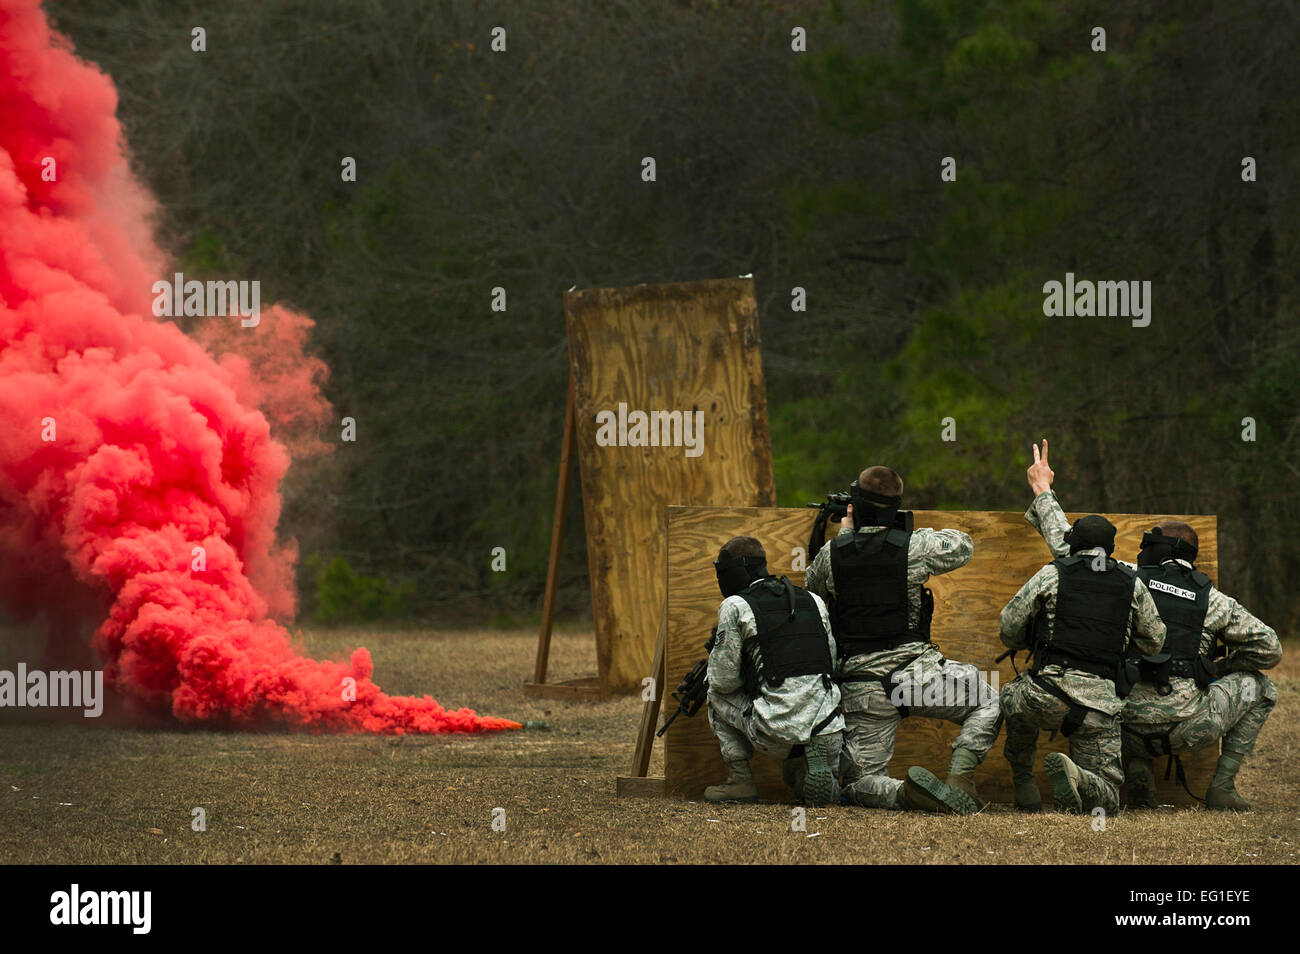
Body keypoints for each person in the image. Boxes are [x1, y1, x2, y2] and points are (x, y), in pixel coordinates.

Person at [1022, 439, 1281, 811]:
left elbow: (1070, 550)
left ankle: (1139, 766)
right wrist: (1216, 668)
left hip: (1121, 724)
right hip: (1189, 726)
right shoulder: (1216, 602)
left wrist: (1043, 488)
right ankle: (1221, 787)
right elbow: (1270, 648)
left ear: (1159, 549)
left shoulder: (1125, 578)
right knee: (1264, 688)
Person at [804, 466, 999, 814]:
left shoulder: (829, 555)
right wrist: (907, 531)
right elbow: (963, 546)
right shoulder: (915, 547)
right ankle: (958, 778)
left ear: (855, 508)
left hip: (863, 688)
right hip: (915, 677)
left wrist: (847, 535)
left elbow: (812, 594)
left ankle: (903, 795)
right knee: (989, 703)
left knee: (860, 781)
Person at [999, 451, 1167, 813]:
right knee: (1108, 799)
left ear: (1072, 546)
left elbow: (1008, 626)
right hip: (1099, 707)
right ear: (1110, 549)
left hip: (1044, 696)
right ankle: (1080, 777)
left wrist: (1043, 487)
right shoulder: (1131, 582)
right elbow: (1155, 641)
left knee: (1013, 700)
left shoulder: (1054, 573)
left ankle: (1024, 781)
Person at [703, 535, 845, 807]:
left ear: (734, 572)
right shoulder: (812, 600)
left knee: (713, 690)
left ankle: (741, 781)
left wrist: (751, 677)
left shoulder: (735, 606)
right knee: (797, 783)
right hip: (829, 726)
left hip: (775, 732)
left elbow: (723, 680)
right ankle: (810, 766)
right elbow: (831, 662)